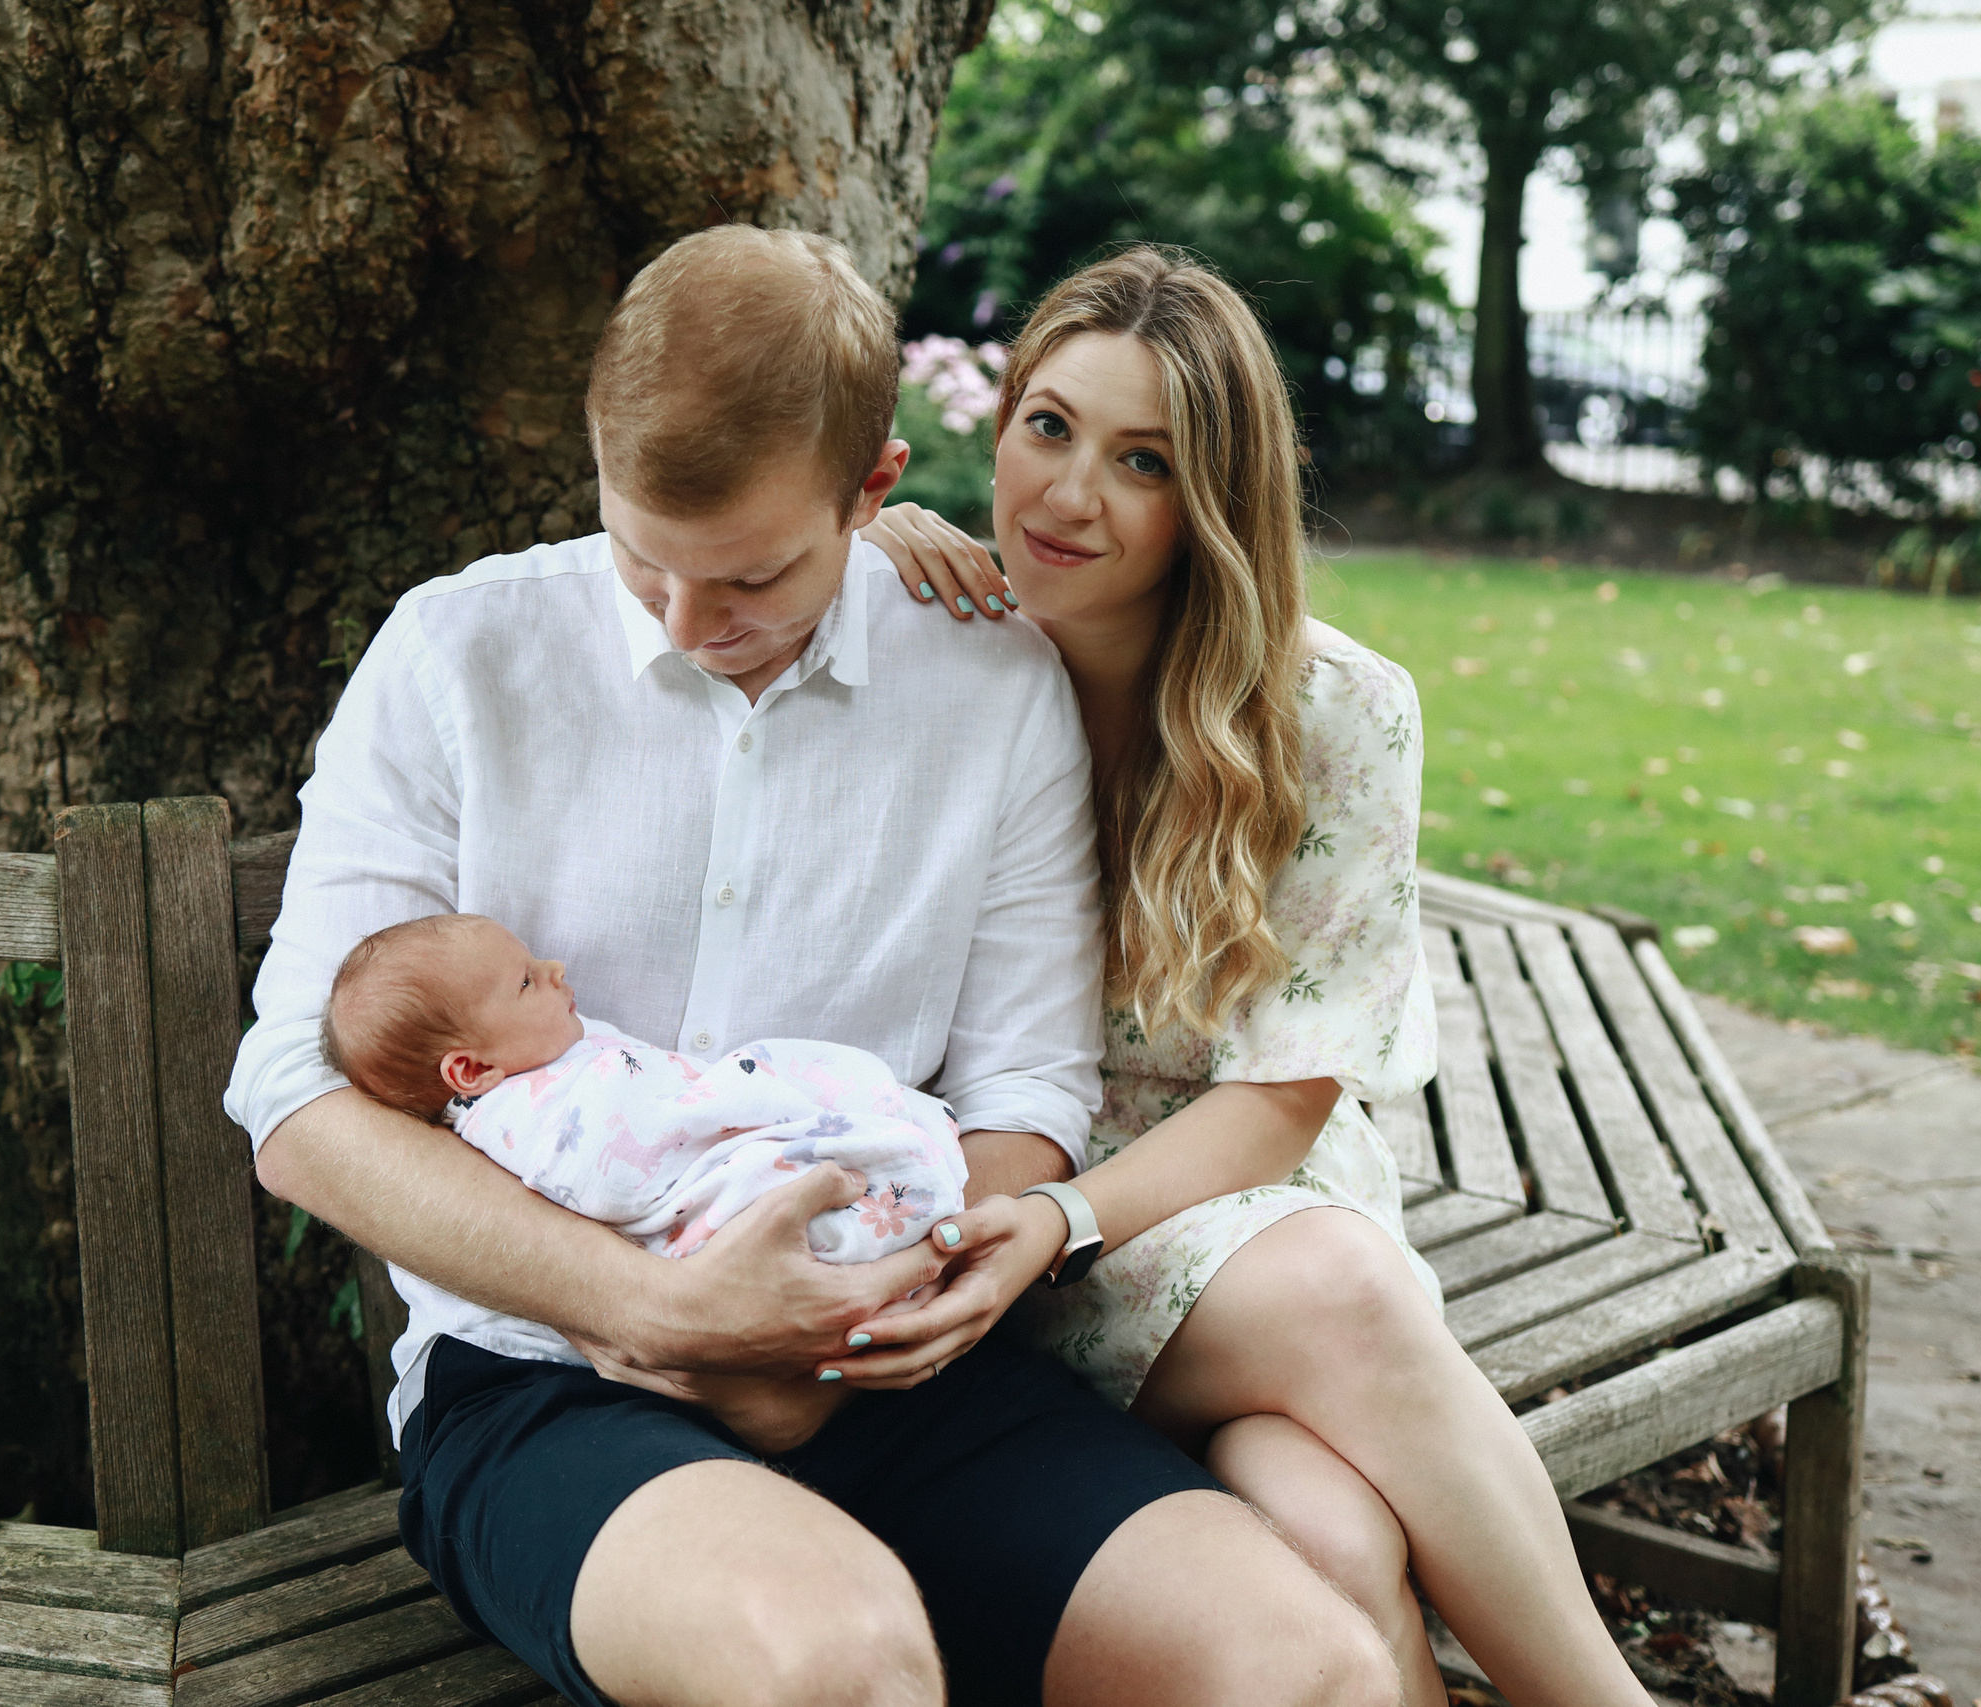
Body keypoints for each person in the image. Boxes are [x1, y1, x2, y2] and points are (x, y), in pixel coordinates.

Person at [227, 223, 1403, 1707]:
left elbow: (1028, 1080)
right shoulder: (457, 655)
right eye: (642, 556)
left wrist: (865, 1300)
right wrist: (651, 1307)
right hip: (550, 1376)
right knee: (842, 1661)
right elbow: (294, 1095)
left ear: (874, 490)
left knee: (1307, 1667)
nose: (684, 623)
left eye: (752, 578)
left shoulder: (988, 682)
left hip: (896, 1347)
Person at [857, 246, 1656, 1707]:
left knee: (1334, 1533)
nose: (1066, 494)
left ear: (1211, 499)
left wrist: (1064, 1214)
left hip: (1236, 1213)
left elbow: (1286, 1101)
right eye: (1049, 425)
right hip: (1005, 1225)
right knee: (1342, 1361)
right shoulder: (930, 645)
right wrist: (861, 548)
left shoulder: (1330, 706)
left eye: (1139, 459)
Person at [318, 910, 965, 1451]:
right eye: (524, 981)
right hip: (651, 1294)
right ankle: (877, 1203)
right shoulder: (525, 1118)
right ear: (470, 1069)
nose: (555, 970)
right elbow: (625, 1174)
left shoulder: (553, 1056)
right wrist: (739, 1101)